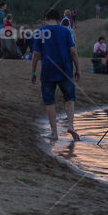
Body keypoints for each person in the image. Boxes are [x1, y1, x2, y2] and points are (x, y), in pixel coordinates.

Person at [30, 8, 80, 140]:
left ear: (45, 18)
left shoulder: (41, 32)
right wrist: (77, 69)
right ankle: (70, 125)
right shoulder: (65, 31)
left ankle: (54, 133)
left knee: (49, 101)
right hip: (65, 69)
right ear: (58, 19)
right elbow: (73, 52)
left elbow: (36, 54)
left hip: (48, 70)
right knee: (69, 98)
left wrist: (33, 72)